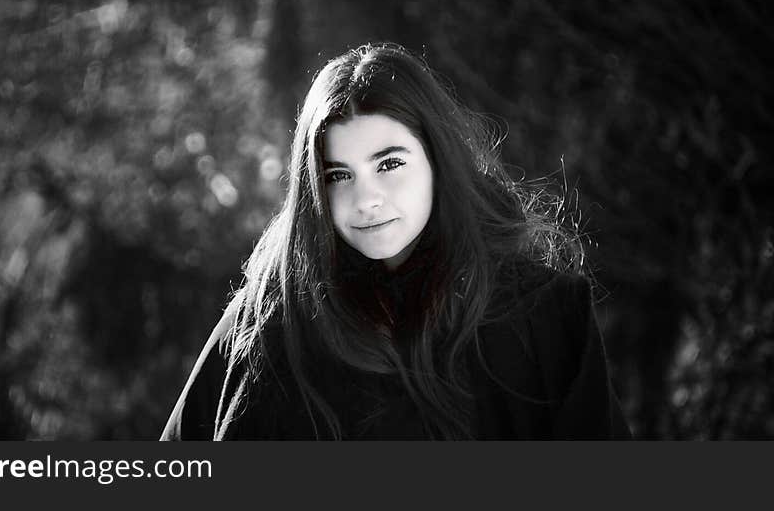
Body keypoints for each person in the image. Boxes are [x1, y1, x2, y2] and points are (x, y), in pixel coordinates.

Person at [161, 42, 632, 440]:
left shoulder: (543, 315)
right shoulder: (268, 323)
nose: (365, 199)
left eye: (389, 164)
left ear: (437, 161)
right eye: (338, 175)